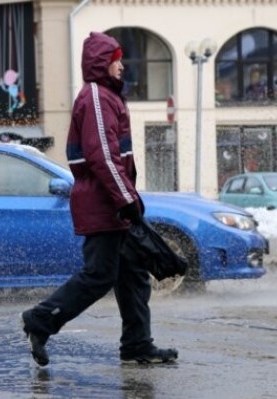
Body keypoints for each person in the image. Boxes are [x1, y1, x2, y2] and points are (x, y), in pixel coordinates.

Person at [20, 32, 178, 366]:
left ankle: (137, 345)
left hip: (113, 204)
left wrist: (128, 200)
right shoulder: (95, 96)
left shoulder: (106, 96)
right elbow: (102, 155)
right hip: (105, 204)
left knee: (132, 274)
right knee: (100, 275)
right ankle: (40, 320)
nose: (122, 66)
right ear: (102, 63)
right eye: (116, 60)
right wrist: (126, 200)